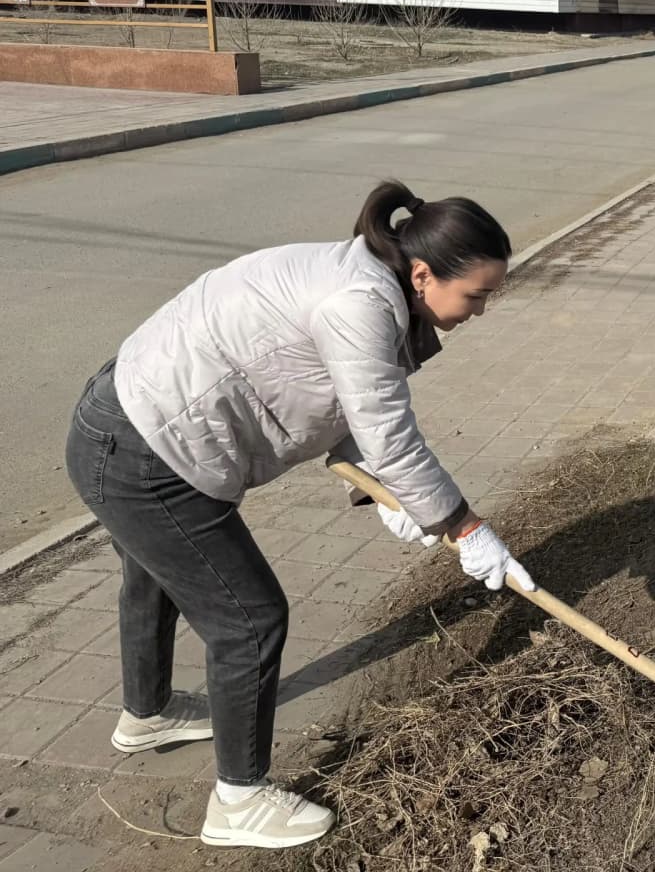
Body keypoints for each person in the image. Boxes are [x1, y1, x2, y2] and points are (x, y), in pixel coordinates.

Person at [65, 181, 531, 849]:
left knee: (158, 575)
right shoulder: (360, 303)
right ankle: (240, 803)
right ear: (424, 274)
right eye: (476, 295)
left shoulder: (370, 281)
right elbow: (387, 431)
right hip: (146, 452)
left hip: (127, 424)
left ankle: (150, 715)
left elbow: (343, 404)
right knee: (249, 619)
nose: (481, 310)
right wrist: (462, 526)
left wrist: (381, 493)